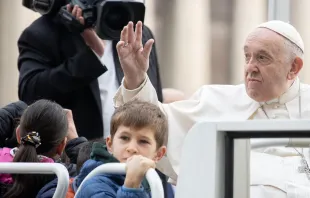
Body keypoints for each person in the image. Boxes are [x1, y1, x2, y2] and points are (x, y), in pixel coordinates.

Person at [113, 20, 310, 196]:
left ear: (293, 68)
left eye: (262, 58)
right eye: (247, 56)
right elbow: (152, 126)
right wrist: (135, 78)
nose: (250, 66)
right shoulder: (215, 100)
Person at [17, 0, 163, 140]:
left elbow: (155, 106)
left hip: (134, 156)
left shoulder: (138, 33)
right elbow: (30, 93)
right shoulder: (41, 33)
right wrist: (91, 55)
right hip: (77, 158)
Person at [73, 99, 167, 197]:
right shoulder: (95, 184)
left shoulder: (150, 183)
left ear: (159, 154)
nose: (131, 148)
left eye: (143, 141)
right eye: (124, 138)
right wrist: (131, 186)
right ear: (110, 144)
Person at [1, 99, 82, 198]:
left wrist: (16, 109)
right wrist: (75, 142)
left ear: (18, 135)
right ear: (61, 146)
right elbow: (92, 170)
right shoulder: (64, 175)